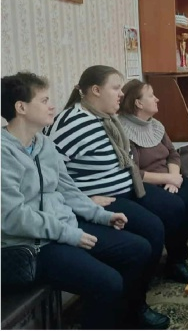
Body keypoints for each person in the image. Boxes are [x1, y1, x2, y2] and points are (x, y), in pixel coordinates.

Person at [1, 72, 152, 329]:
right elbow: (13, 217)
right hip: (29, 246)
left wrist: (101, 215)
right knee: (108, 282)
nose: (52, 106)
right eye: (44, 100)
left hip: (62, 230)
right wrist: (68, 234)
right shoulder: (4, 153)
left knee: (138, 249)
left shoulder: (43, 144)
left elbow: (69, 190)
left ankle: (126, 319)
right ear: (21, 107)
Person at [44, 65, 170, 329]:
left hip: (124, 189)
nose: (121, 94)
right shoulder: (70, 124)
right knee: (148, 233)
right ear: (95, 90)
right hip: (98, 199)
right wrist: (86, 199)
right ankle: (132, 305)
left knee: (161, 220)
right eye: (116, 88)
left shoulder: (106, 118)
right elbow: (53, 174)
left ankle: (134, 298)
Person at [118, 79, 188, 283]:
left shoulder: (156, 125)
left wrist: (174, 179)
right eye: (151, 95)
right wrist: (168, 178)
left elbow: (173, 154)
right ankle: (176, 260)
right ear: (138, 103)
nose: (157, 99)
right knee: (175, 207)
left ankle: (177, 245)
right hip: (145, 183)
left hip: (168, 177)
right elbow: (134, 171)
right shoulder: (123, 130)